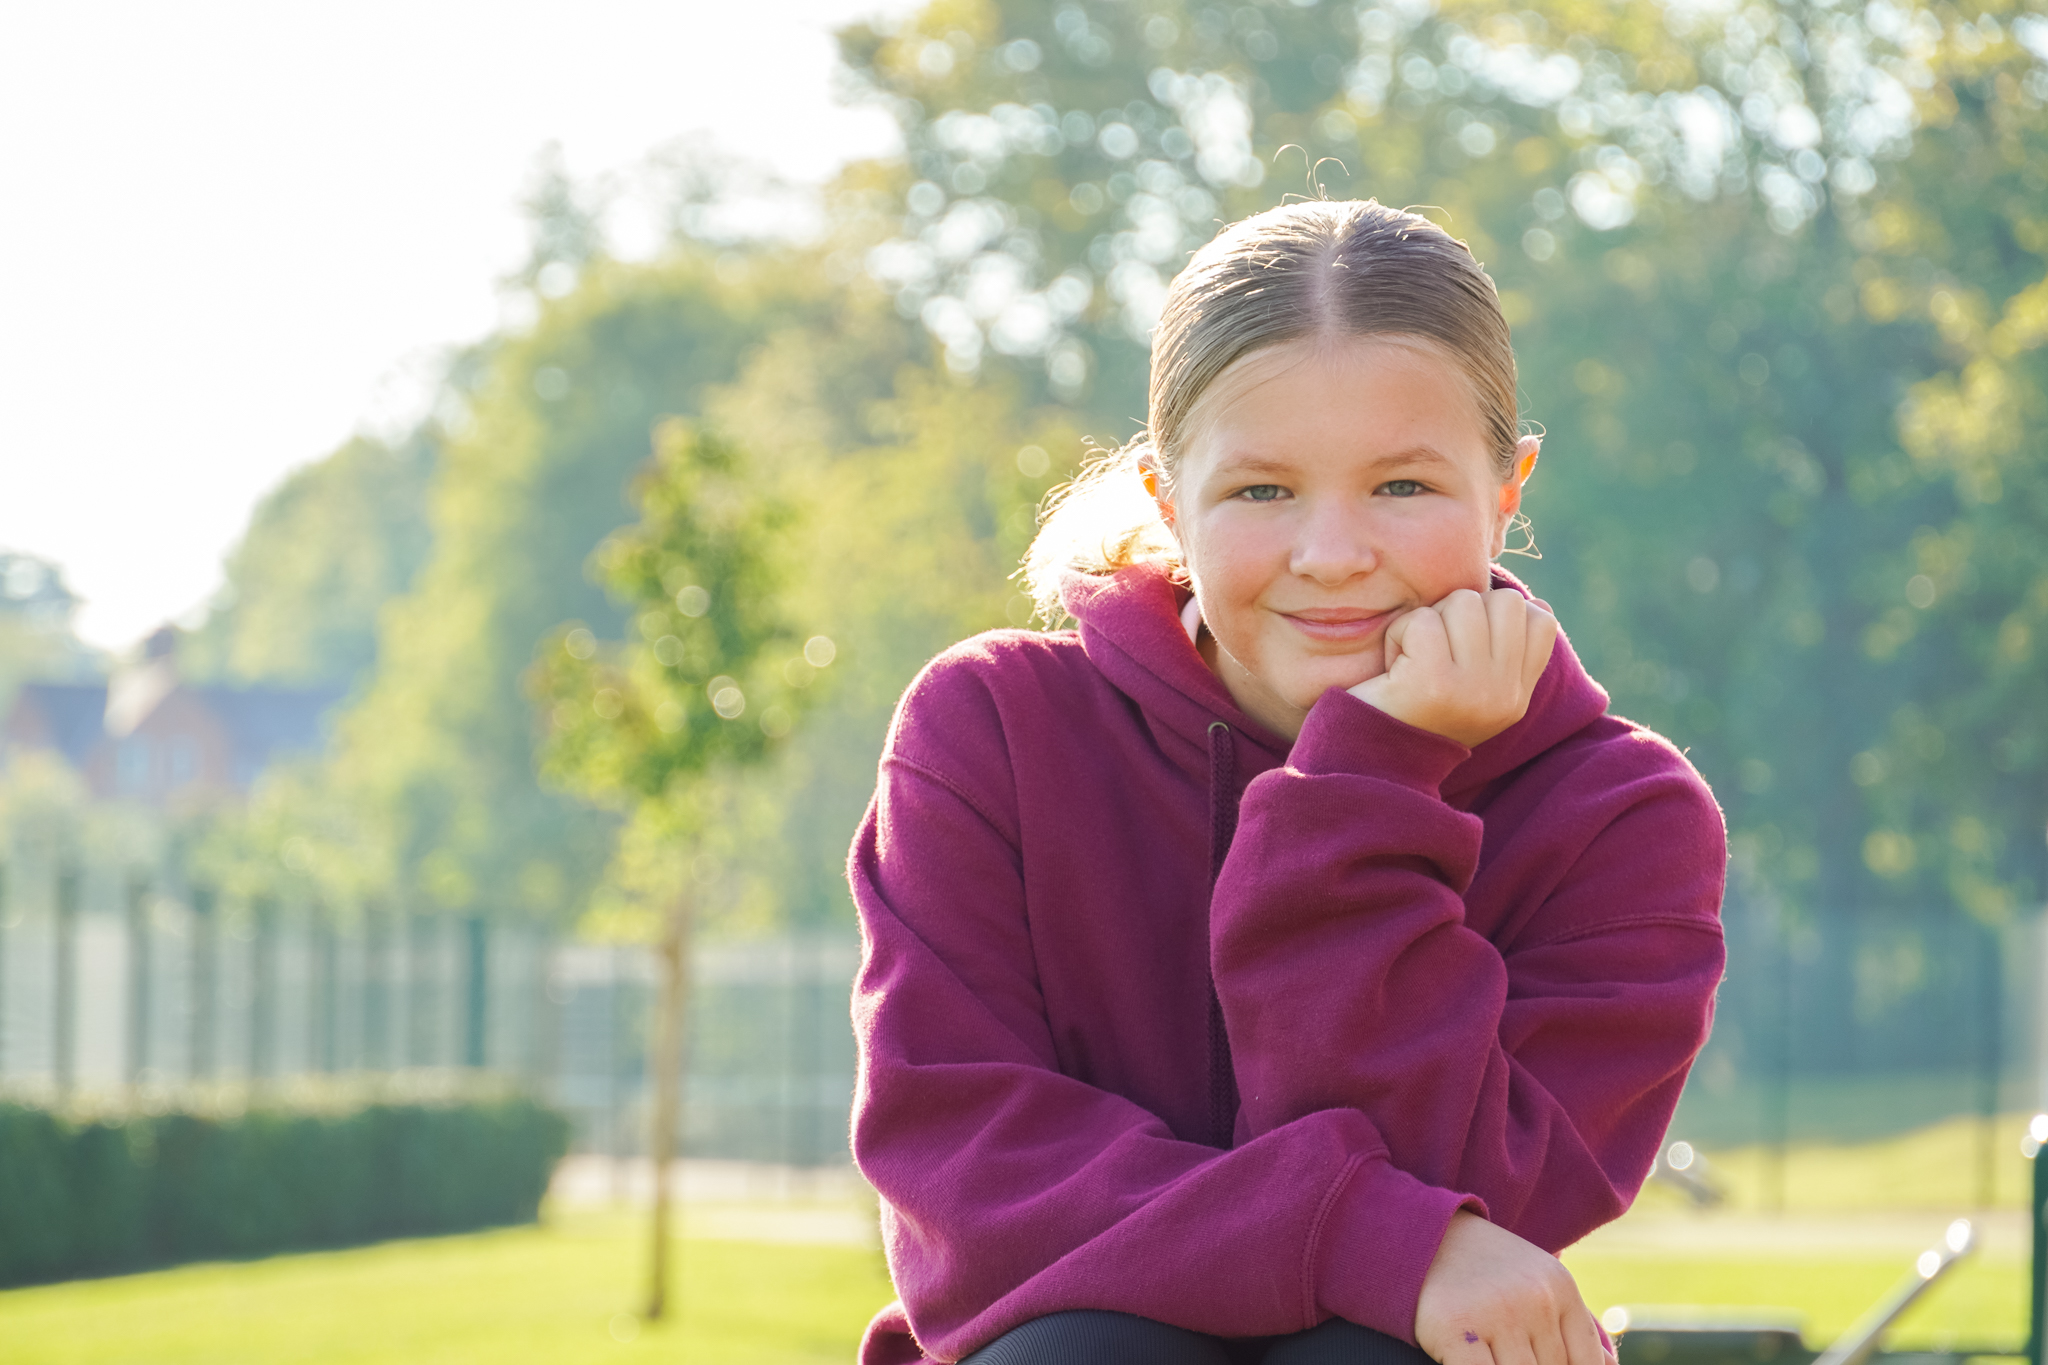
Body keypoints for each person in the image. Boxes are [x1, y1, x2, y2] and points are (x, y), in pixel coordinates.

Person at [846, 199, 1726, 1365]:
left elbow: (1478, 1190)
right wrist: (1363, 1236)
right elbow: (968, 1168)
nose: (1331, 554)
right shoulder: (989, 730)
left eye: (1402, 488)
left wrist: (1373, 778)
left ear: (1507, 488)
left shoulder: (1621, 818)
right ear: (1166, 498)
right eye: (1262, 492)